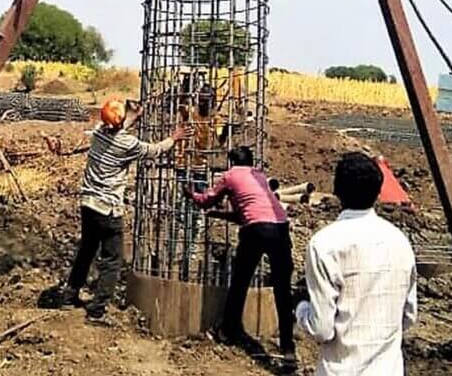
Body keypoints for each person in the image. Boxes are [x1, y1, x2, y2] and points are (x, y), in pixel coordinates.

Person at [46, 97, 190, 323]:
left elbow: (117, 125)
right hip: (108, 209)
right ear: (122, 120)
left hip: (88, 204)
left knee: (86, 250)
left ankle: (69, 296)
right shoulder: (127, 144)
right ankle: (97, 309)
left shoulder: (98, 133)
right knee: (112, 259)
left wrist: (132, 115)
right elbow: (153, 150)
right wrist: (173, 138)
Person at [295, 152, 417, 376]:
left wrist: (301, 308)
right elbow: (408, 316)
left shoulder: (324, 244)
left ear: (337, 191)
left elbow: (321, 329)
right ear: (379, 191)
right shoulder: (399, 241)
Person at [186, 145, 295, 360]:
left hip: (255, 230)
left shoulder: (230, 175)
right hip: (281, 227)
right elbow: (248, 213)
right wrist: (220, 215)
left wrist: (191, 195)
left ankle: (228, 330)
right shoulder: (258, 176)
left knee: (240, 282)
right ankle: (288, 347)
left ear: (231, 162)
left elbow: (207, 199)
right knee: (283, 289)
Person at [173, 83, 228, 280]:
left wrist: (227, 131)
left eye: (208, 98)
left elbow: (221, 139)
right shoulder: (190, 112)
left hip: (201, 169)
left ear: (212, 100)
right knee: (179, 209)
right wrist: (182, 91)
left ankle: (192, 251)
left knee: (197, 210)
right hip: (183, 165)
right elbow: (180, 105)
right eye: (202, 97)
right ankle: (174, 249)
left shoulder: (215, 118)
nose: (204, 101)